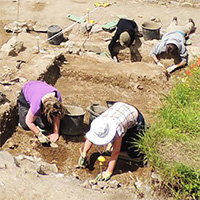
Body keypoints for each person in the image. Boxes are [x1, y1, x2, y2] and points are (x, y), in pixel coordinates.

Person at [78, 102, 145, 181]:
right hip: (119, 109)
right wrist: (84, 154)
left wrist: (109, 171)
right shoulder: (99, 123)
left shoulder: (117, 128)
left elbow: (116, 151)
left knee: (133, 153)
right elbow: (90, 138)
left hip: (134, 117)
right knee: (120, 144)